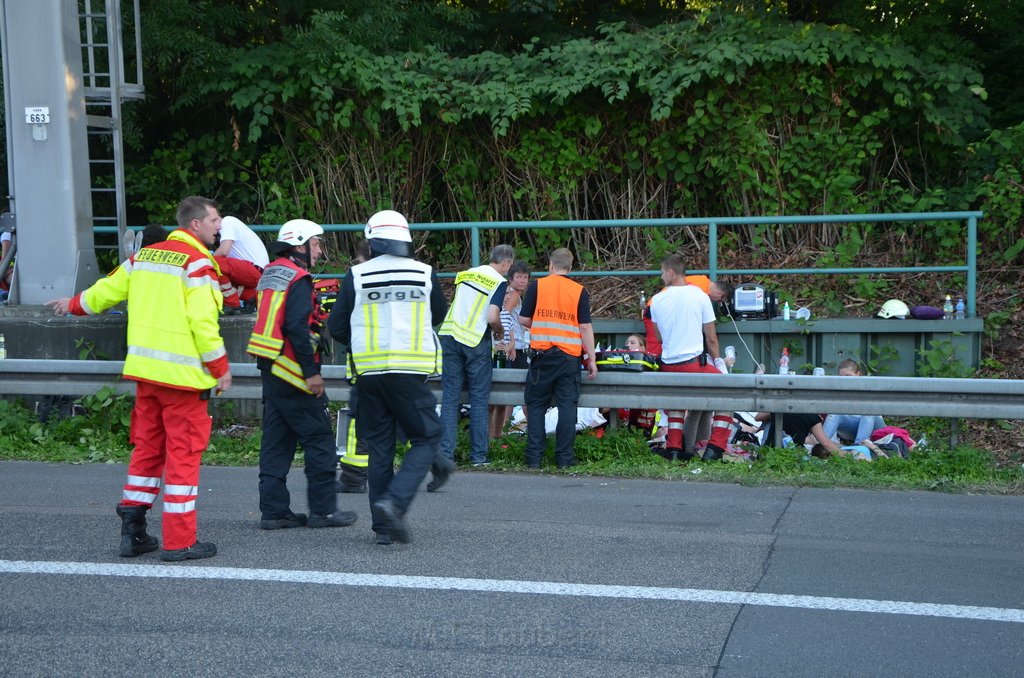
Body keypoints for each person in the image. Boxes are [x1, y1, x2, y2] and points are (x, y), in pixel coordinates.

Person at [45, 195, 232, 562]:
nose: (219, 227)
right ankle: (180, 542)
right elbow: (202, 324)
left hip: (146, 375)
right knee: (183, 457)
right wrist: (220, 367)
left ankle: (134, 532)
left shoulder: (145, 256)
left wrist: (72, 304)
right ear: (195, 225)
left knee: (147, 450)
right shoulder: (197, 264)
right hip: (183, 380)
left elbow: (105, 291)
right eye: (214, 221)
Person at [328, 209, 450, 545]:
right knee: (427, 437)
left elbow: (337, 327)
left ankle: (383, 528)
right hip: (409, 373)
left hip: (368, 374)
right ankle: (395, 504)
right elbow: (438, 314)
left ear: (373, 239)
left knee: (380, 448)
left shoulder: (357, 275)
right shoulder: (424, 273)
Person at [246, 218, 357, 531]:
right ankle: (324, 511)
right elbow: (296, 326)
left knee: (276, 443)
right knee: (319, 440)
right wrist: (311, 374)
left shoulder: (271, 273)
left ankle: (274, 511)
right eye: (316, 243)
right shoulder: (298, 277)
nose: (320, 251)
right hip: (294, 371)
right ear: (299, 245)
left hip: (270, 367)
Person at [649, 253, 736, 462]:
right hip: (694, 365)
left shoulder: (657, 300)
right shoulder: (699, 296)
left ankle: (674, 449)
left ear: (671, 273)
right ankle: (715, 448)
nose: (661, 277)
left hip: (668, 368)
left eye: (662, 272)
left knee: (677, 405)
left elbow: (658, 336)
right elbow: (711, 338)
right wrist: (718, 363)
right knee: (730, 396)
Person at [519, 247, 598, 468]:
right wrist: (591, 358)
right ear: (570, 268)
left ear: (551, 266)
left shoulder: (537, 285)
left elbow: (524, 319)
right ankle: (564, 459)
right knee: (567, 407)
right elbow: (584, 327)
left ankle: (534, 459)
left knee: (535, 406)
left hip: (541, 356)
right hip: (568, 358)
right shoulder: (579, 290)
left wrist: (541, 327)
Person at [438, 244, 514, 466]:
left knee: (450, 400)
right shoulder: (499, 282)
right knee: (479, 400)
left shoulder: (467, 273)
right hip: (474, 341)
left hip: (450, 335)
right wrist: (500, 331)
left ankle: (445, 455)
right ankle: (478, 457)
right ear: (506, 262)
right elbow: (492, 316)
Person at [822, 359, 886, 446]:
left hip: (874, 426)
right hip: (851, 427)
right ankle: (822, 445)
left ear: (858, 374)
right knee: (834, 413)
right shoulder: (837, 389)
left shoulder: (867, 386)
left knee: (867, 412)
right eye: (841, 377)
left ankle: (859, 447)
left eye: (848, 376)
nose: (845, 380)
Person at [214, 216, 269, 312]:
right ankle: (249, 296)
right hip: (256, 273)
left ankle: (232, 304)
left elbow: (224, 251)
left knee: (213, 263)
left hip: (254, 270)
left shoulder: (227, 221)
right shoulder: (230, 224)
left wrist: (206, 260)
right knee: (216, 272)